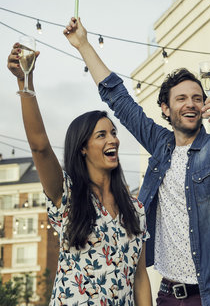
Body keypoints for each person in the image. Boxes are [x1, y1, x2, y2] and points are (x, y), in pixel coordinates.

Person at [63, 17, 210, 306]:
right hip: (169, 295)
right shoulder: (160, 144)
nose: (190, 103)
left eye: (196, 98)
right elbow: (120, 100)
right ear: (166, 108)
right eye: (181, 99)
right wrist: (84, 45)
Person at [7, 44, 152, 305]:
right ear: (83, 148)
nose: (114, 140)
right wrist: (25, 81)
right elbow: (39, 147)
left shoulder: (136, 209)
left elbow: (140, 278)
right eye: (102, 135)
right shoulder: (67, 195)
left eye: (114, 133)